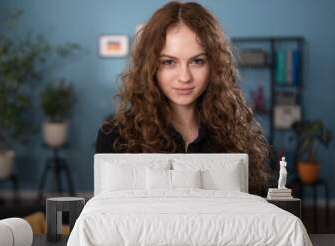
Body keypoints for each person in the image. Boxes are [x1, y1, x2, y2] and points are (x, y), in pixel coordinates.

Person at [95, 1, 270, 196]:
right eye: (169, 62)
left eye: (197, 61)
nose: (185, 77)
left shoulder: (240, 136)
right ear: (151, 66)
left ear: (214, 65)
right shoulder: (116, 136)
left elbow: (256, 215)